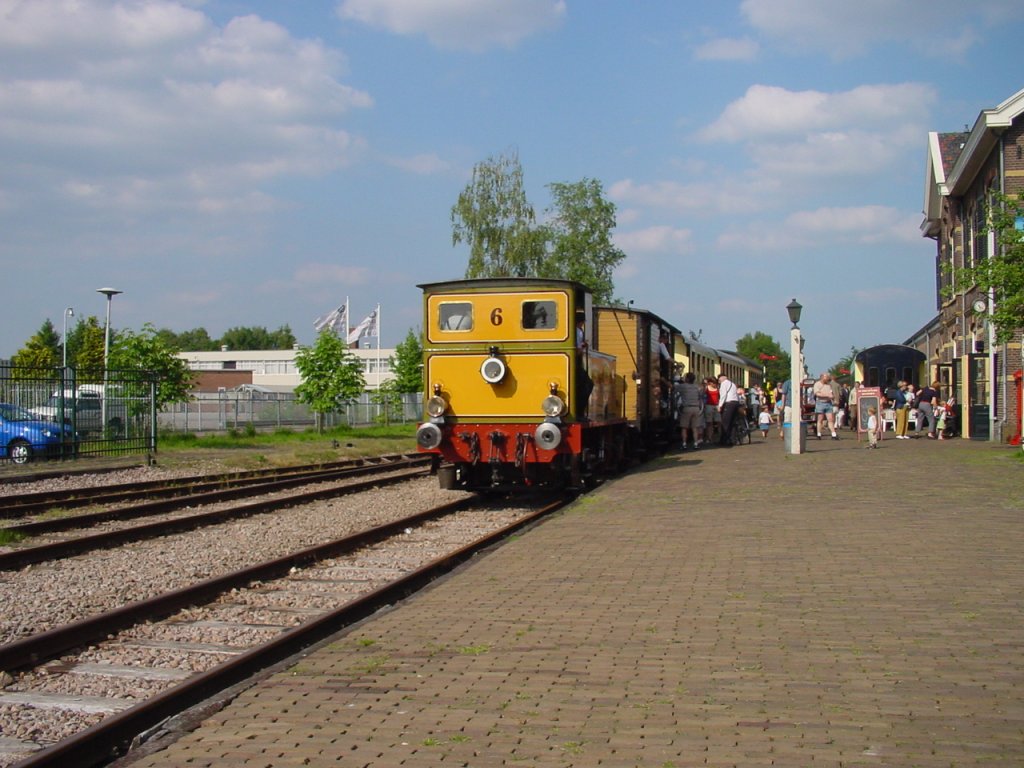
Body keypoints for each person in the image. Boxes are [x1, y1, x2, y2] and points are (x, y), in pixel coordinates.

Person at [675, 372, 703, 449]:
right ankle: (696, 444)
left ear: (687, 379)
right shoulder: (697, 387)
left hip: (687, 408)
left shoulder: (683, 386)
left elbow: (672, 388)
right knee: (695, 428)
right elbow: (701, 394)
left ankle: (684, 444)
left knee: (684, 427)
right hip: (696, 408)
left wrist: (664, 381)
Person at [812, 373, 839, 440]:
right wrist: (827, 395)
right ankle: (819, 434)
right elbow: (817, 394)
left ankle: (833, 434)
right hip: (820, 403)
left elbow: (831, 393)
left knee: (830, 419)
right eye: (826, 377)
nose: (827, 378)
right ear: (822, 377)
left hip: (828, 403)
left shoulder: (828, 385)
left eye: (828, 377)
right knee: (820, 419)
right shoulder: (817, 384)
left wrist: (834, 399)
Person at [717, 372, 740, 447]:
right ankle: (733, 439)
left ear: (721, 378)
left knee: (725, 423)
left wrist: (720, 406)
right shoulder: (732, 384)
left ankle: (724, 440)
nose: (719, 382)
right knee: (733, 423)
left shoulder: (724, 384)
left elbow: (723, 395)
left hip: (729, 404)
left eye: (719, 380)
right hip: (736, 403)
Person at [702, 377, 720, 444]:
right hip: (708, 405)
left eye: (716, 383)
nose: (715, 384)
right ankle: (709, 438)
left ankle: (719, 437)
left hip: (717, 405)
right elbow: (703, 395)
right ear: (710, 383)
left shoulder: (718, 388)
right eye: (713, 383)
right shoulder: (706, 388)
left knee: (719, 421)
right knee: (709, 423)